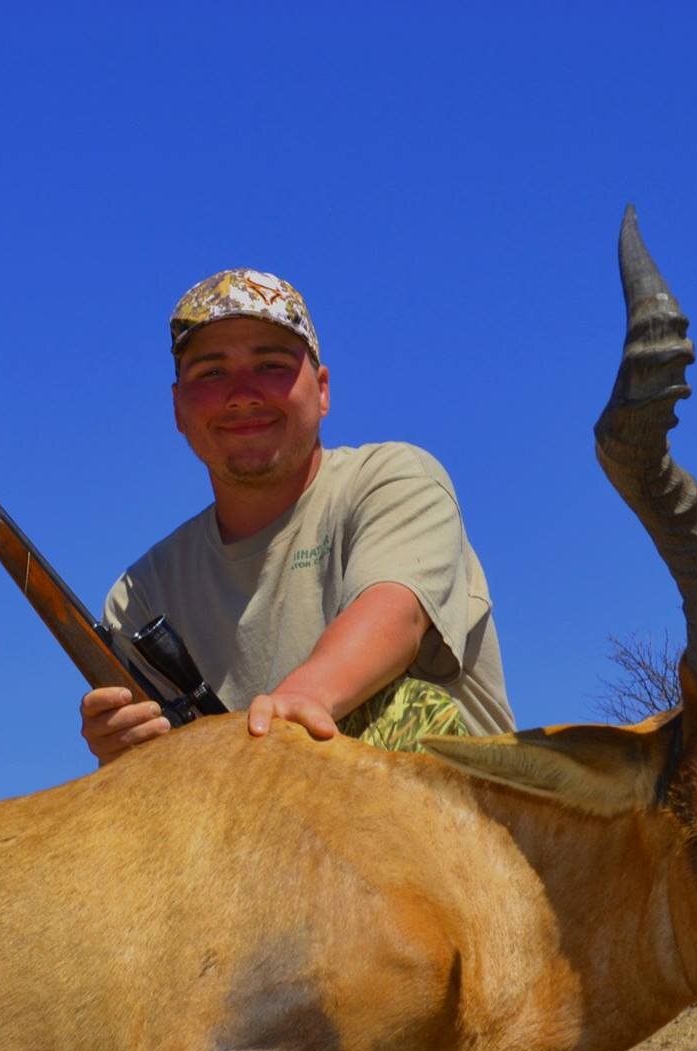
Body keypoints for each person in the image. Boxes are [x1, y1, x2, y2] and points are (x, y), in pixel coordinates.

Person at [82, 268, 513, 764]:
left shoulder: (394, 479)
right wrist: (122, 749)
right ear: (178, 409)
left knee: (402, 709)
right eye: (212, 373)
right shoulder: (140, 594)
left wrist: (303, 701)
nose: (243, 393)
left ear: (323, 390)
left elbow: (396, 611)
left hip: (450, 824)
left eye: (270, 365)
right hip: (257, 830)